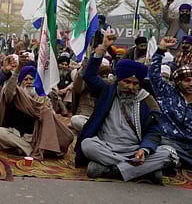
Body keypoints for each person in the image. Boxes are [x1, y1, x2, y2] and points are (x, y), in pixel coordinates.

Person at [75, 31, 177, 184]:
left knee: (170, 154)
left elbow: (154, 131)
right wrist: (103, 47)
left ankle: (112, 170)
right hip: (106, 147)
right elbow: (89, 76)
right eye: (127, 82)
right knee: (87, 145)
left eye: (135, 84)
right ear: (118, 79)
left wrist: (144, 149)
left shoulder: (147, 100)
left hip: (135, 150)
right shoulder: (107, 91)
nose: (131, 87)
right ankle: (141, 171)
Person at [0, 63, 74, 158]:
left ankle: (23, 149)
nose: (29, 82)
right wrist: (17, 70)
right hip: (16, 135)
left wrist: (45, 109)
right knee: (0, 132)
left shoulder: (42, 97)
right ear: (21, 82)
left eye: (31, 79)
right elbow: (9, 91)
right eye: (25, 79)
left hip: (35, 136)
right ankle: (28, 149)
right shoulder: (15, 95)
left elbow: (51, 117)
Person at [150, 36, 192, 167]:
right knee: (164, 148)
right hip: (169, 141)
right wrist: (161, 49)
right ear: (178, 82)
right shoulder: (167, 92)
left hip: (190, 144)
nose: (191, 84)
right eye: (187, 80)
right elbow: (154, 75)